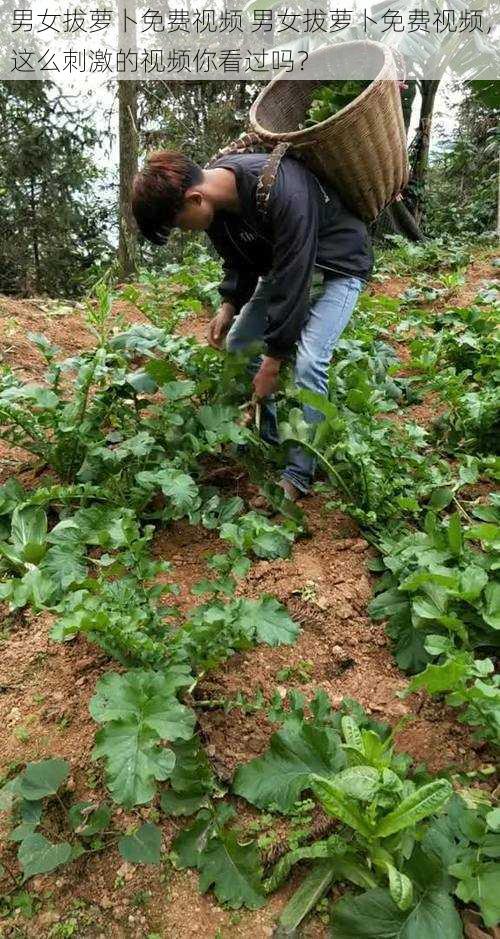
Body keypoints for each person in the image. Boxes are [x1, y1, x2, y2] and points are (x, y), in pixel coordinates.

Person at [132, 149, 374, 501]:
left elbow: (295, 281)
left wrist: (273, 361)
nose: (185, 231)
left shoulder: (281, 189)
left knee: (309, 363)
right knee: (241, 344)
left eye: (180, 224)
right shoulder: (217, 207)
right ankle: (267, 440)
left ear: (195, 198)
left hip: (339, 264)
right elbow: (239, 258)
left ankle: (299, 472)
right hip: (288, 265)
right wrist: (229, 303)